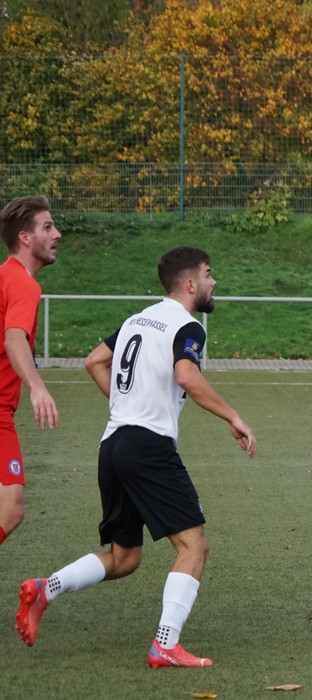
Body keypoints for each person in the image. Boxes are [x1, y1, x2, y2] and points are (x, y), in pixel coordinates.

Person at [15, 246, 257, 668]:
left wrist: (125, 406)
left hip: (113, 446)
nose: (213, 281)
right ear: (190, 284)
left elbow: (94, 361)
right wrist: (233, 417)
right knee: (194, 547)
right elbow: (187, 375)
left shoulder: (137, 319)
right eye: (208, 273)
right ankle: (165, 644)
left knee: (125, 558)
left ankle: (45, 588)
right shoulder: (187, 325)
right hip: (147, 447)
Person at [0, 195, 61, 549]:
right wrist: (37, 386)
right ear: (25, 237)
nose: (57, 234)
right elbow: (13, 338)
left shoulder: (4, 277)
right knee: (10, 511)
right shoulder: (24, 283)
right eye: (47, 227)